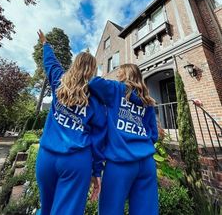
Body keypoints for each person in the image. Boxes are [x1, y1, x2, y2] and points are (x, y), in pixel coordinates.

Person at [35, 30, 106, 215]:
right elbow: (98, 140)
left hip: (46, 158)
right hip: (75, 163)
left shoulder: (59, 82)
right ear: (92, 71)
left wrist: (45, 44)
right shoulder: (96, 102)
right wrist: (97, 172)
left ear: (75, 65)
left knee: (47, 208)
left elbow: (50, 62)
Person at [89, 64, 158, 215]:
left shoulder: (116, 89)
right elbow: (153, 135)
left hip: (120, 162)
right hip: (147, 163)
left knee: (110, 210)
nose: (117, 76)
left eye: (119, 74)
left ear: (125, 75)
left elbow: (93, 83)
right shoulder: (146, 99)